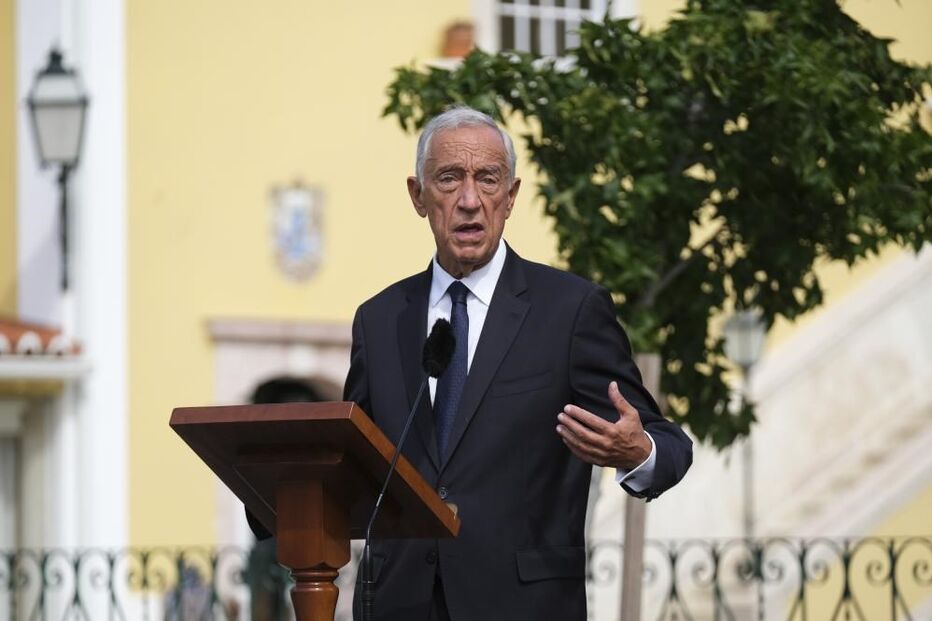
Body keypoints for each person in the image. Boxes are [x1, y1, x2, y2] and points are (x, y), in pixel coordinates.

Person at [344, 105, 692, 620]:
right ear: (418, 196)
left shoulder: (570, 311)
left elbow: (669, 445)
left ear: (510, 198)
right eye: (448, 179)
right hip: (401, 604)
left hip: (525, 605)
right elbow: (350, 458)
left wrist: (637, 450)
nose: (469, 201)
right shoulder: (379, 320)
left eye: (488, 180)